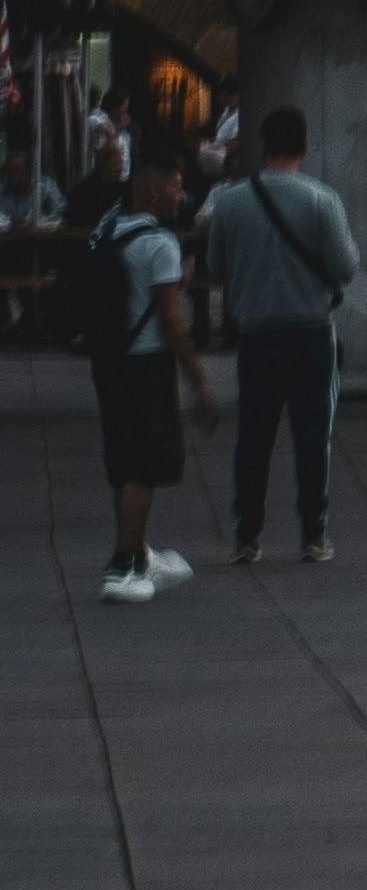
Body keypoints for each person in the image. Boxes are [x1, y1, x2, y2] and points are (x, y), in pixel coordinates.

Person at [199, 105, 359, 565]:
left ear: (262, 146)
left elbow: (214, 269)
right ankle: (313, 534)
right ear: (305, 145)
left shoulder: (230, 201)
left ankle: (247, 535)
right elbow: (346, 268)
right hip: (311, 331)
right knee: (313, 435)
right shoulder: (321, 199)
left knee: (254, 435)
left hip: (256, 333)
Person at [81, 154, 205, 605]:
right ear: (153, 191)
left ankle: (137, 556)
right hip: (147, 364)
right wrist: (199, 379)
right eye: (176, 186)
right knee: (144, 468)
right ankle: (119, 569)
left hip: (109, 361)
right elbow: (172, 322)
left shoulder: (109, 229)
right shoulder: (160, 243)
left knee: (123, 462)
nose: (182, 195)